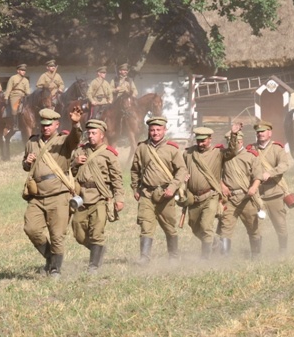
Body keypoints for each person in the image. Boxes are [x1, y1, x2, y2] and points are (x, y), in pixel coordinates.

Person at [22, 106, 83, 278]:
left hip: (59, 195)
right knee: (31, 228)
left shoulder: (63, 141)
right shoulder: (32, 142)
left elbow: (75, 139)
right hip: (37, 195)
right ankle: (50, 257)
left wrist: (76, 124)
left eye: (49, 125)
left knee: (57, 235)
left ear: (56, 124)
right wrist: (27, 162)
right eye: (43, 125)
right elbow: (26, 166)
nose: (45, 128)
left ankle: (55, 269)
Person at [130, 116, 188, 265]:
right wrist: (136, 188)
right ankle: (144, 258)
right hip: (146, 194)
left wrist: (172, 187)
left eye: (158, 130)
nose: (155, 133)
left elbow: (181, 170)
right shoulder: (142, 147)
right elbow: (135, 170)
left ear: (164, 130)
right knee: (145, 226)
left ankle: (173, 257)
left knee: (169, 227)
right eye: (152, 130)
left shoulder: (172, 149)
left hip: (165, 194)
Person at [70, 119, 125, 273]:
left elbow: (117, 179)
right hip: (81, 198)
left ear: (102, 135)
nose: (91, 136)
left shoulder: (109, 154)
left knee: (97, 232)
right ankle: (99, 249)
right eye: (89, 133)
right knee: (78, 232)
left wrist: (119, 199)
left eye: (94, 133)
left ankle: (93, 266)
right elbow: (69, 173)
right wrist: (74, 163)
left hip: (100, 197)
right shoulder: (80, 151)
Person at [182, 124, 237, 259]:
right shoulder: (188, 153)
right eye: (198, 140)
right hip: (193, 197)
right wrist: (183, 176)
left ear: (210, 139)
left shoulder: (218, 153)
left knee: (206, 225)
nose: (200, 143)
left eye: (203, 140)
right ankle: (214, 242)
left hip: (210, 195)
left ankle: (205, 259)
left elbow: (232, 152)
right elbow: (181, 169)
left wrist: (233, 136)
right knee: (195, 227)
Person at [217, 125, 264, 258]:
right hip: (229, 198)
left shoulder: (251, 156)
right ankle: (224, 259)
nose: (233, 144)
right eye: (230, 142)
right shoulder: (223, 156)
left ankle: (256, 256)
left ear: (241, 141)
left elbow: (258, 176)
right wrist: (222, 185)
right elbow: (214, 173)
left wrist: (254, 188)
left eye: (236, 141)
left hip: (247, 198)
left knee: (253, 228)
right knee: (225, 229)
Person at [248, 120, 291, 254]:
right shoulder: (250, 149)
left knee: (280, 224)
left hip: (274, 192)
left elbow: (284, 165)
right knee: (255, 226)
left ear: (269, 133)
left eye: (263, 131)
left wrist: (270, 173)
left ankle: (282, 250)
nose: (260, 134)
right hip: (257, 194)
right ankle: (256, 254)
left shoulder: (277, 149)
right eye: (258, 132)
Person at [4, 64, 30, 129]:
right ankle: (15, 124)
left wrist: (29, 96)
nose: (24, 72)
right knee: (14, 109)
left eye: (24, 70)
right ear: (18, 71)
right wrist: (6, 97)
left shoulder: (26, 80)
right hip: (14, 95)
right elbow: (9, 88)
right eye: (22, 70)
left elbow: (27, 91)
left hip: (23, 96)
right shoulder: (13, 78)